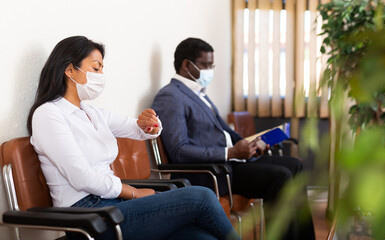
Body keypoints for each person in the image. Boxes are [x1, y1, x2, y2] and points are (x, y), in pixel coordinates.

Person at [27, 36, 239, 240]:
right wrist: (134, 193)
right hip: (89, 217)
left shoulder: (91, 113)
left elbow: (138, 129)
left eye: (102, 68)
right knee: (202, 197)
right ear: (70, 69)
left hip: (114, 204)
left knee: (202, 237)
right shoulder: (48, 114)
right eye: (95, 67)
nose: (101, 74)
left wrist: (151, 123)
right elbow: (81, 176)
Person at [151, 37, 316, 240]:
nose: (210, 70)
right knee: (281, 177)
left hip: (234, 161)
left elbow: (223, 132)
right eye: (205, 65)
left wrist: (253, 144)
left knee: (295, 166)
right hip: (216, 171)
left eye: (212, 65)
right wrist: (230, 152)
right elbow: (179, 150)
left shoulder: (199, 93)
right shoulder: (170, 96)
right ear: (187, 65)